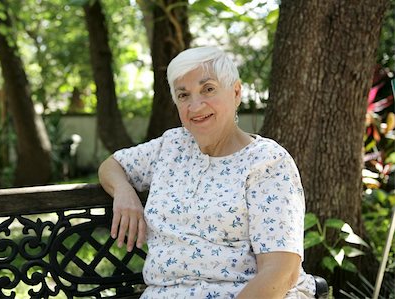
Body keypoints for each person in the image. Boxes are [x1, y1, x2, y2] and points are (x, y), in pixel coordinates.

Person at [98, 46, 316, 298]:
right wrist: (124, 191)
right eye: (183, 95)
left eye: (208, 89)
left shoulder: (267, 162)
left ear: (236, 92)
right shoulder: (171, 146)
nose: (195, 105)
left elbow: (280, 272)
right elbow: (112, 165)